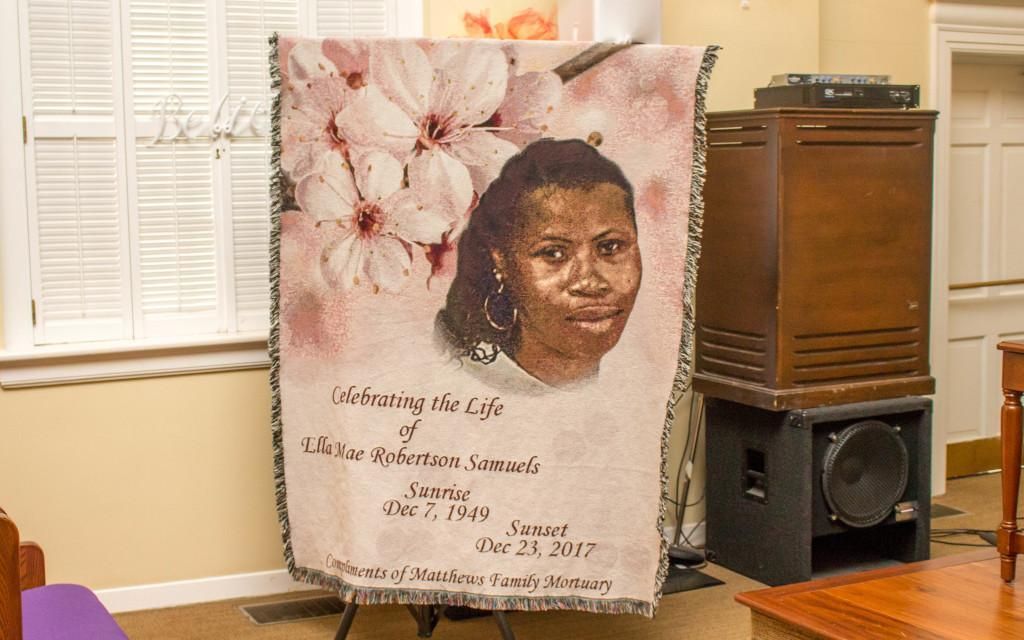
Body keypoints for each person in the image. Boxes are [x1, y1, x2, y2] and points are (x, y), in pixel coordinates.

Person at [436, 138, 642, 392]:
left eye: (610, 247)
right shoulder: (459, 385)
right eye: (554, 253)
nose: (590, 282)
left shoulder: (639, 390)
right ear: (501, 261)